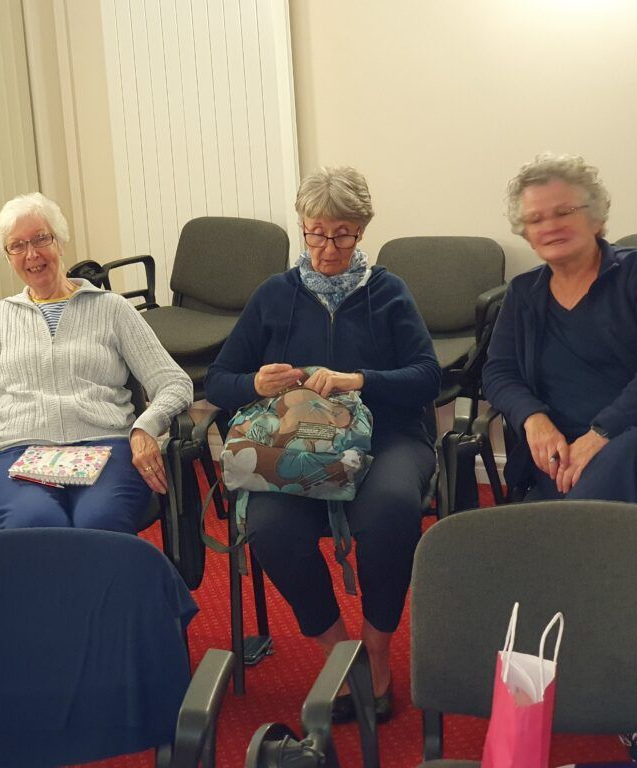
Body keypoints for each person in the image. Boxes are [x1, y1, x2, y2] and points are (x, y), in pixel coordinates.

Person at [205, 167, 441, 723]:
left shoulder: (387, 292)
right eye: (315, 232)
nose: (327, 247)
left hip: (388, 436)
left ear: (363, 230)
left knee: (391, 510)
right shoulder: (274, 295)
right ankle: (341, 655)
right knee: (268, 527)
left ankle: (378, 650)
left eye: (342, 233)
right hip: (296, 449)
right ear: (302, 228)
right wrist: (254, 385)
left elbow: (428, 376)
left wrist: (358, 379)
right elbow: (218, 380)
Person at [0, 192, 192, 533]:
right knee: (37, 525)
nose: (32, 254)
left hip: (105, 448)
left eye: (41, 239)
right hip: (14, 456)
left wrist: (144, 428)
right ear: (8, 257)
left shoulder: (111, 308)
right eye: (17, 246)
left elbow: (174, 382)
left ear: (60, 242)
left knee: (98, 524)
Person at [483, 153, 637, 505]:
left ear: (596, 216)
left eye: (564, 212)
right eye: (535, 219)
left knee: (614, 474)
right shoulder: (524, 292)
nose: (550, 225)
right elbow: (499, 371)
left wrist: (603, 431)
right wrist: (533, 417)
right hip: (561, 445)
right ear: (527, 234)